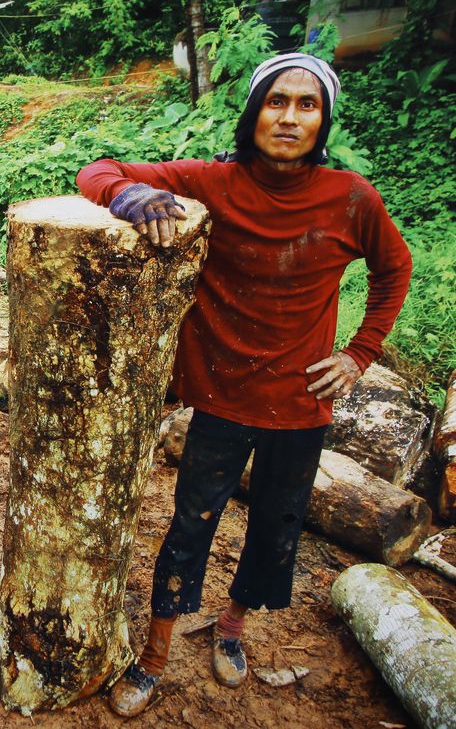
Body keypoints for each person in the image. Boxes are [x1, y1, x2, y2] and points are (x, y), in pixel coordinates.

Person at [75, 53, 412, 718]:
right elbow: (96, 169)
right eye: (276, 101)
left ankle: (232, 628)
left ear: (323, 121)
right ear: (254, 111)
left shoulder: (351, 197)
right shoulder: (213, 182)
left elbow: (393, 269)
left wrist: (359, 354)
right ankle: (156, 653)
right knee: (190, 525)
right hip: (221, 398)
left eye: (307, 105)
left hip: (302, 404)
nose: (289, 117)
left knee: (275, 530)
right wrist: (128, 195)